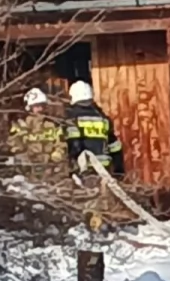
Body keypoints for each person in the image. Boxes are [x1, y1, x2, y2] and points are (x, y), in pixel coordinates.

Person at [64, 81, 125, 230]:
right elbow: (114, 145)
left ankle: (90, 229)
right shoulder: (102, 117)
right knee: (102, 199)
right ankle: (101, 225)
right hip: (104, 167)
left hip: (85, 168)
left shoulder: (72, 117)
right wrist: (119, 168)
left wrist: (72, 166)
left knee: (86, 201)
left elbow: (74, 144)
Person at [8, 88, 67, 181]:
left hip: (50, 171)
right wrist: (25, 160)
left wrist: (55, 158)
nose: (40, 109)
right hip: (27, 172)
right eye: (36, 106)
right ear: (29, 107)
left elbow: (61, 145)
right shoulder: (20, 125)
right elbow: (14, 146)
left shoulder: (52, 125)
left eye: (42, 105)